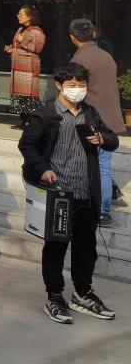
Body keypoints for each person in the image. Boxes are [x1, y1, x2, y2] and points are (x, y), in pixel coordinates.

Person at [18, 62, 119, 324]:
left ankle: (83, 292)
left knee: (86, 248)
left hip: (86, 192)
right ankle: (54, 295)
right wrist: (43, 169)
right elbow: (27, 145)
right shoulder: (46, 114)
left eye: (81, 85)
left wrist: (102, 139)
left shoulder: (90, 112)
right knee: (56, 247)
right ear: (59, 85)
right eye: (72, 85)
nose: (77, 89)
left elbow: (113, 139)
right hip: (59, 194)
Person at [69, 18, 125, 227]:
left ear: (72, 38)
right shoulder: (106, 55)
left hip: (93, 120)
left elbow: (75, 92)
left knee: (99, 165)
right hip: (111, 118)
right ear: (93, 34)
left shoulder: (79, 59)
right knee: (101, 162)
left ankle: (103, 211)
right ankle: (112, 190)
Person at [7, 5, 46, 129]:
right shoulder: (20, 29)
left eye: (21, 14)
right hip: (18, 67)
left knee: (29, 96)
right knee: (21, 96)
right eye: (18, 14)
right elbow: (19, 46)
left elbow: (37, 48)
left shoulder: (37, 31)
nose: (18, 16)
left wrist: (22, 40)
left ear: (30, 17)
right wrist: (11, 49)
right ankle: (22, 120)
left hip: (29, 68)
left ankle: (31, 122)